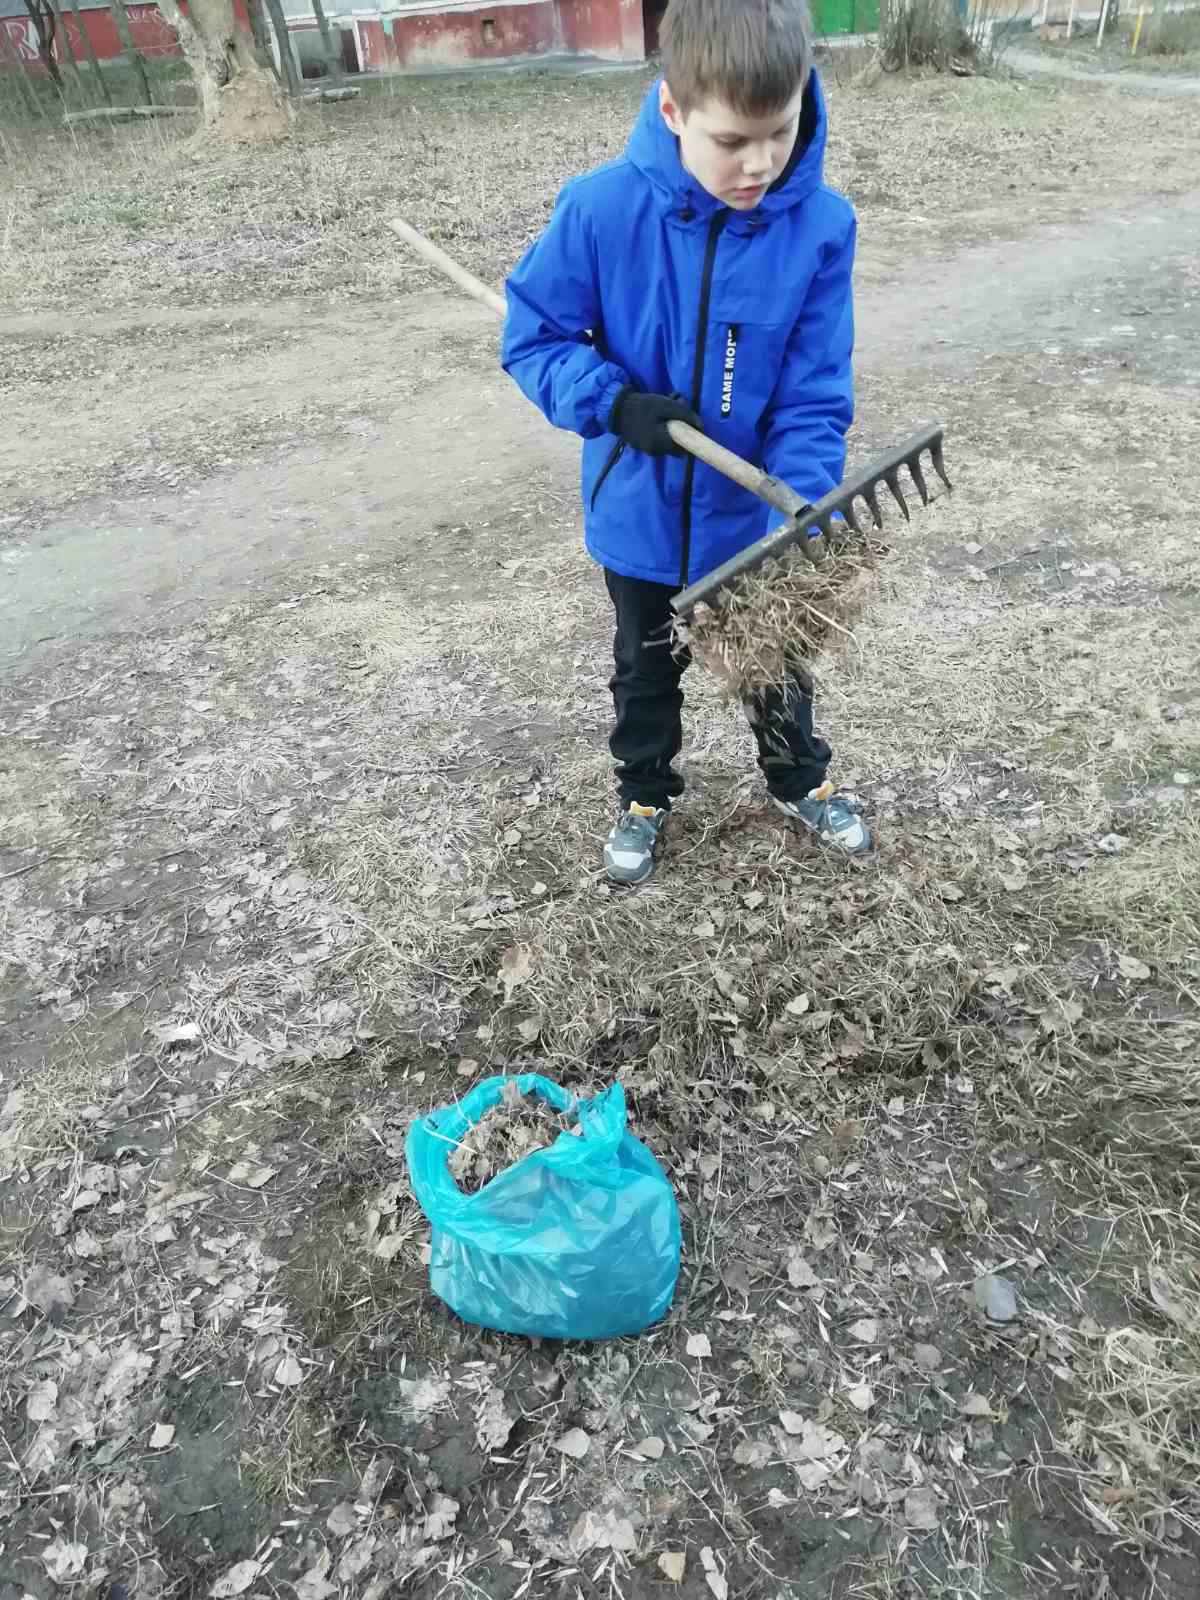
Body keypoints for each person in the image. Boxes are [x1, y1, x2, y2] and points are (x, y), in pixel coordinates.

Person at [501, 0, 871, 885]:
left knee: (775, 658)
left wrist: (805, 492)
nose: (759, 165)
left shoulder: (818, 227)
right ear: (672, 110)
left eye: (778, 134)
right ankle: (645, 791)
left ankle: (798, 780)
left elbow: (813, 388)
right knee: (644, 668)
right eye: (731, 141)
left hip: (745, 516)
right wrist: (612, 403)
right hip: (635, 510)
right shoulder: (600, 211)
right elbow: (533, 337)